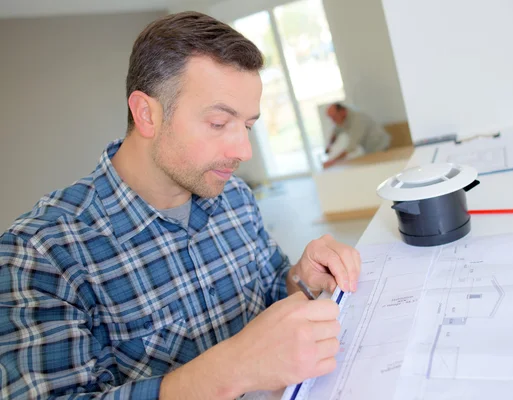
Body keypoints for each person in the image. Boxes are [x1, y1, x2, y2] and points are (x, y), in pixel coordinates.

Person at [0, 12, 361, 399]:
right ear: (146, 114)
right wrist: (233, 370)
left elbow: (271, 290)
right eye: (219, 123)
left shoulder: (234, 197)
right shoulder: (39, 253)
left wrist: (299, 277)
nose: (243, 150)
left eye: (248, 126)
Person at [323, 103, 391, 168]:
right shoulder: (341, 118)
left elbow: (351, 147)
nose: (333, 121)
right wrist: (329, 145)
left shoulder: (357, 120)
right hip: (369, 149)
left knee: (380, 168)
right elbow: (336, 132)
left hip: (380, 146)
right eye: (331, 118)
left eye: (334, 117)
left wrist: (333, 161)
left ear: (342, 111)